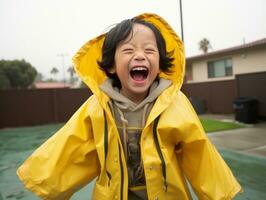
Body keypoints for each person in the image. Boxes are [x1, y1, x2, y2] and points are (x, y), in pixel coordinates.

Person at [17, 13, 242, 200]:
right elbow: (72, 144)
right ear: (112, 65)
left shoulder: (175, 104)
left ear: (160, 63)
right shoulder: (98, 106)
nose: (140, 56)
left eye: (149, 50)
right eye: (128, 50)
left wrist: (218, 192)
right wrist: (45, 179)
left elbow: (199, 150)